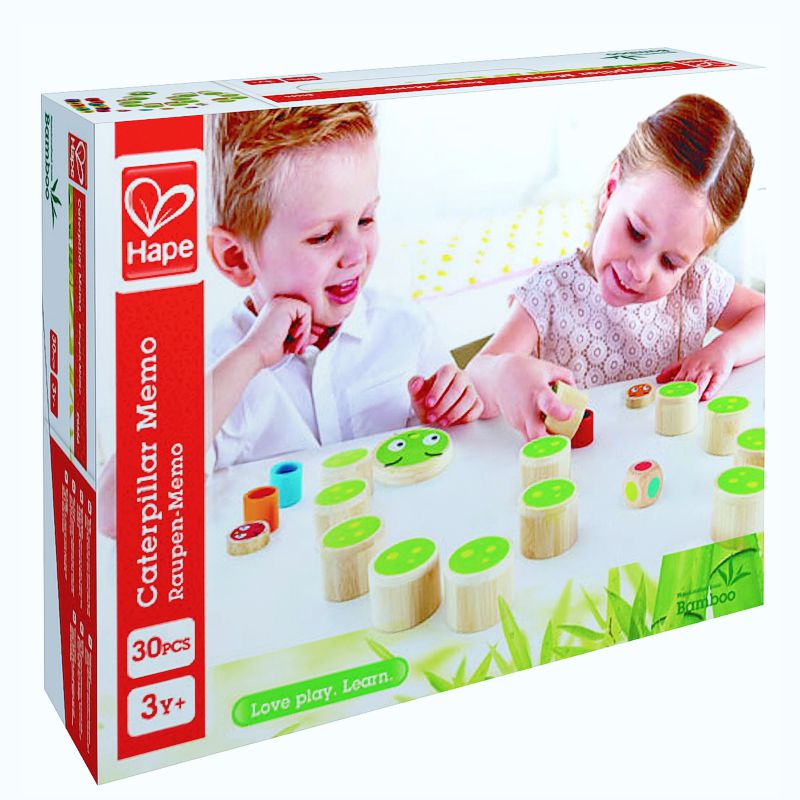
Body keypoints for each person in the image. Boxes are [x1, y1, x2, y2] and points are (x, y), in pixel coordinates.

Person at [468, 94, 764, 441]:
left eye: (670, 262)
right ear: (610, 189)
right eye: (636, 232)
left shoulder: (697, 286)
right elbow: (476, 378)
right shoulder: (550, 294)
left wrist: (725, 350)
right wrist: (504, 373)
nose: (641, 271)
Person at [206, 103, 483, 469]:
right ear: (237, 258)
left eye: (365, 219)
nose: (356, 255)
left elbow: (462, 454)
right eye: (322, 236)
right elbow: (143, 482)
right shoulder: (217, 369)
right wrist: (252, 356)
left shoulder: (406, 327)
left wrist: (446, 413)